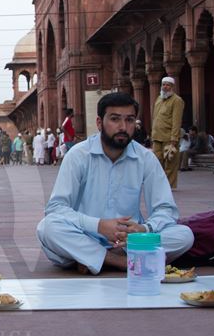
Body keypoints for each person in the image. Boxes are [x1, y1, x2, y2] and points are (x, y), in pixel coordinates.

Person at [36, 92, 193, 275]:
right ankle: (120, 261)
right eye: (115, 119)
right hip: (85, 235)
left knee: (184, 235)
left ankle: (96, 258)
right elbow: (55, 208)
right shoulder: (78, 155)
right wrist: (98, 225)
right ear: (99, 122)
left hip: (128, 240)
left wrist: (144, 228)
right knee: (47, 227)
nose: (123, 127)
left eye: (129, 120)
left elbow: (166, 209)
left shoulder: (145, 158)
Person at [151, 76, 184, 188]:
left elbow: (176, 121)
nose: (165, 87)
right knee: (156, 162)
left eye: (168, 85)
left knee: (170, 162)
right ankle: (159, 184)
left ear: (172, 87)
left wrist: (174, 138)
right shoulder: (158, 99)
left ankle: (169, 186)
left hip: (169, 137)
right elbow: (155, 118)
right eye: (163, 84)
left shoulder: (177, 100)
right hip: (157, 136)